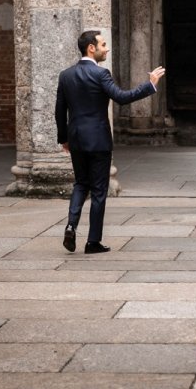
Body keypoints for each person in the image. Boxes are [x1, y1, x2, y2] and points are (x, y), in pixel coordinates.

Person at [56, 30, 165, 254]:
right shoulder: (101, 74)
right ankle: (92, 241)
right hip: (98, 140)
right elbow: (122, 97)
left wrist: (64, 139)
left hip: (76, 138)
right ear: (91, 48)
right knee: (98, 190)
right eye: (103, 44)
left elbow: (59, 112)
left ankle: (70, 225)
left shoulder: (65, 75)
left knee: (80, 184)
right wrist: (150, 85)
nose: (107, 48)